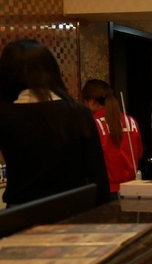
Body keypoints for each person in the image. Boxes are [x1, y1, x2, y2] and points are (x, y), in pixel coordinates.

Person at [0, 39, 110, 206]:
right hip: (74, 209)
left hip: (22, 212)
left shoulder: (6, 116)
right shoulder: (79, 113)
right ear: (52, 71)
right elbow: (98, 177)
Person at [81, 79, 143, 196]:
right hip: (133, 190)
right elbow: (139, 153)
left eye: (84, 102)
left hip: (106, 191)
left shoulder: (93, 124)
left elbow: (88, 161)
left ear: (92, 101)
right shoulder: (131, 121)